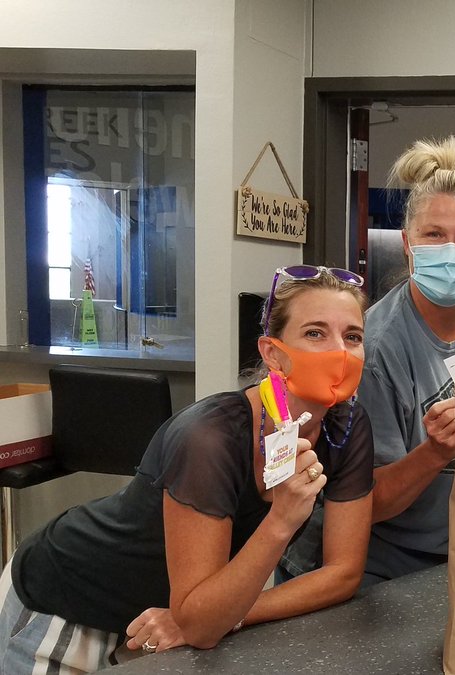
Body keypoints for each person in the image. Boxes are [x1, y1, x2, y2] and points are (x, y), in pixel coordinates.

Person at [0, 266, 374, 672]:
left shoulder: (346, 427)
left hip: (163, 624)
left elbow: (343, 574)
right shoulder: (209, 437)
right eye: (315, 333)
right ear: (272, 352)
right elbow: (201, 623)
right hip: (70, 601)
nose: (339, 351)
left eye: (352, 336)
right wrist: (282, 520)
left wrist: (230, 614)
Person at [352, 136, 455, 585]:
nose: (450, 251)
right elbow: (369, 503)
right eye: (434, 235)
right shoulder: (377, 347)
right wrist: (435, 451)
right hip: (394, 570)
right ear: (407, 243)